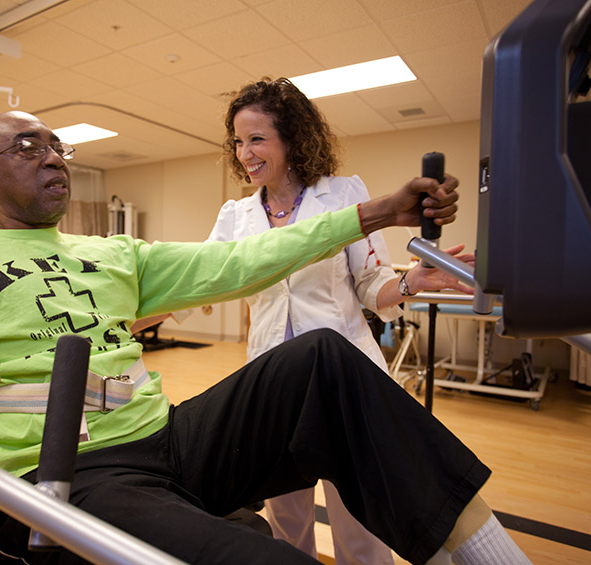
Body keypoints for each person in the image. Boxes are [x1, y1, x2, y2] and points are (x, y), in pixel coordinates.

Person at [0, 110, 529, 565]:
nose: (53, 157)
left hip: (163, 439)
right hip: (54, 472)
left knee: (327, 358)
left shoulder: (112, 253)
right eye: (30, 147)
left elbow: (243, 262)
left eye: (60, 146)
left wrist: (377, 211)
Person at [176, 77, 476, 564]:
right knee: (286, 521)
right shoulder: (235, 217)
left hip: (343, 380)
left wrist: (410, 283)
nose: (244, 152)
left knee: (360, 524)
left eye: (256, 138)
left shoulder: (341, 196)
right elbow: (199, 281)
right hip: (272, 387)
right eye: (238, 140)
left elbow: (371, 283)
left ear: (291, 137)